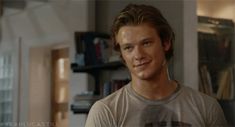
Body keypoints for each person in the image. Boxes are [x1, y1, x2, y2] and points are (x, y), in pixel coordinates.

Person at [85, 4, 227, 127]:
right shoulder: (105, 112)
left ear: (165, 43)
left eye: (146, 43)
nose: (138, 55)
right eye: (128, 48)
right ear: (122, 54)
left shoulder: (206, 108)